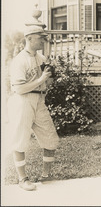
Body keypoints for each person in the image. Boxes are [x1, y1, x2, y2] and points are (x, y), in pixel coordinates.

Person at [7, 25, 60, 190]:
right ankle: (23, 179)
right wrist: (41, 79)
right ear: (29, 38)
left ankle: (46, 175)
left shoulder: (41, 58)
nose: (43, 40)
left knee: (50, 138)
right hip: (22, 101)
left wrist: (51, 75)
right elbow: (20, 88)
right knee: (20, 140)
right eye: (40, 38)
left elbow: (46, 84)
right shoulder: (19, 60)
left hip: (39, 100)